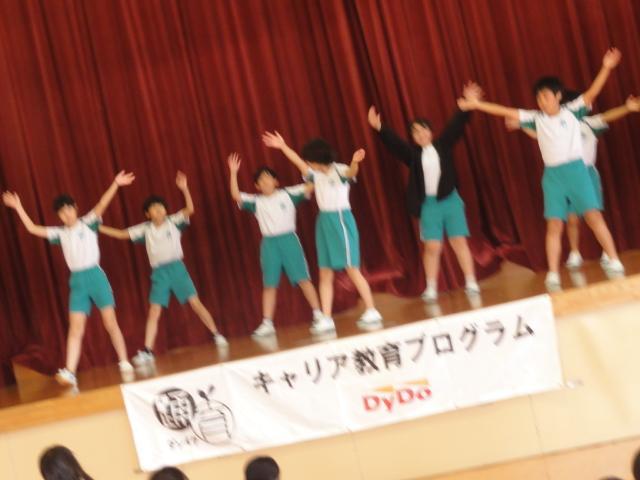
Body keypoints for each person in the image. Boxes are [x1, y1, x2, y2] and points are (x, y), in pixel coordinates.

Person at [459, 48, 624, 290]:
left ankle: (614, 259)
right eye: (538, 98)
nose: (542, 101)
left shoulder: (572, 111)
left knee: (593, 217)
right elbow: (504, 110)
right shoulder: (536, 118)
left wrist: (606, 67)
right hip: (553, 176)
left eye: (546, 96)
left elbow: (592, 92)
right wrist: (477, 104)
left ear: (558, 96)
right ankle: (553, 274)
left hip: (577, 171)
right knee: (554, 224)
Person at [3, 172, 135, 387]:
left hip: (96, 276)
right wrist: (18, 207)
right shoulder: (60, 233)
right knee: (75, 328)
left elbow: (102, 203)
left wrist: (116, 184)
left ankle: (124, 361)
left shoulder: (88, 222)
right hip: (77, 281)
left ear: (76, 208)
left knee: (110, 322)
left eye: (69, 209)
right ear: (59, 216)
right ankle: (70, 372)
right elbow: (32, 228)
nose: (67, 214)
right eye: (62, 212)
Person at [367, 82, 482, 303]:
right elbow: (396, 145)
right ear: (413, 137)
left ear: (431, 131)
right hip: (429, 205)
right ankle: (431, 287)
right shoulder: (413, 155)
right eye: (415, 132)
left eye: (423, 130)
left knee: (459, 241)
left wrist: (466, 105)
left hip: (451, 200)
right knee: (432, 246)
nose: (420, 134)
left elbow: (456, 126)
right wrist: (379, 127)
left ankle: (471, 282)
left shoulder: (443, 145)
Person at [99, 171, 227, 366]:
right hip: (159, 273)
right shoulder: (145, 229)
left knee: (195, 303)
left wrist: (184, 189)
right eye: (153, 208)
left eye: (160, 207)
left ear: (165, 210)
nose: (158, 210)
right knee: (154, 311)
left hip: (177, 268)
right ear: (147, 214)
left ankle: (217, 334)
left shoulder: (173, 221)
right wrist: (98, 228)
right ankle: (148, 351)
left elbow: (190, 209)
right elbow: (121, 234)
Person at [263, 132, 383, 330]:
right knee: (325, 271)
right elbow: (298, 162)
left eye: (310, 160)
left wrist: (355, 161)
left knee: (351, 267)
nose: (307, 163)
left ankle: (371, 309)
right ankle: (326, 318)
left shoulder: (340, 169)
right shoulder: (314, 174)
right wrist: (283, 146)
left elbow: (351, 173)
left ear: (318, 158)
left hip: (341, 219)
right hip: (324, 221)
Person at [507, 94, 640, 269]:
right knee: (571, 218)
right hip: (566, 175)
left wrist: (627, 108)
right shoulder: (552, 125)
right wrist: (521, 125)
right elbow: (538, 134)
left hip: (587, 174)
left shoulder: (589, 123)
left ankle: (608, 253)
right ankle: (575, 253)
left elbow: (607, 116)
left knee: (594, 216)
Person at [228, 153, 327, 335]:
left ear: (276, 181)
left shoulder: (288, 194)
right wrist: (233, 172)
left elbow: (312, 184)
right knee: (269, 284)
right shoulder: (256, 201)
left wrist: (316, 169)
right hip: (269, 244)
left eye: (268, 178)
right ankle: (267, 323)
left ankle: (318, 314)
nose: (265, 182)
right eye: (261, 180)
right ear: (257, 186)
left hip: (289, 240)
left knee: (303, 279)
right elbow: (235, 195)